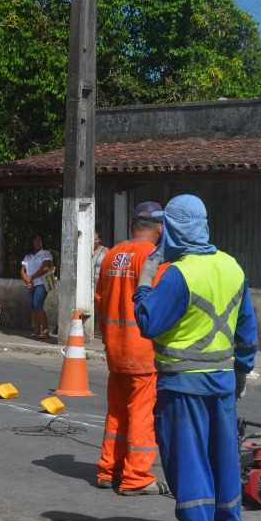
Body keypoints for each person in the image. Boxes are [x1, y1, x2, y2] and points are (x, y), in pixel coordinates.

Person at [134, 194, 258, 521]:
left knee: (188, 463)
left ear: (171, 229)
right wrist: (242, 369)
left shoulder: (179, 275)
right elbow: (247, 329)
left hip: (183, 385)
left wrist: (145, 281)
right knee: (223, 459)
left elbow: (148, 321)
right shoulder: (231, 266)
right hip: (221, 381)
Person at [95, 201, 166, 496]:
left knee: (117, 412)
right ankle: (136, 476)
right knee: (141, 414)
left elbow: (100, 299)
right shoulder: (153, 257)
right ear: (160, 228)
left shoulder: (112, 254)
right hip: (142, 350)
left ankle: (108, 468)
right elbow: (161, 305)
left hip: (115, 347)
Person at [20, 234, 53, 339]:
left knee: (37, 304)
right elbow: (22, 270)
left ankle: (45, 330)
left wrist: (32, 278)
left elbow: (45, 268)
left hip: (42, 283)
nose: (38, 242)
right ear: (32, 242)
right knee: (33, 306)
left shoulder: (46, 253)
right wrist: (27, 280)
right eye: (36, 240)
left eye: (40, 240)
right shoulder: (28, 256)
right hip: (31, 284)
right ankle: (37, 329)